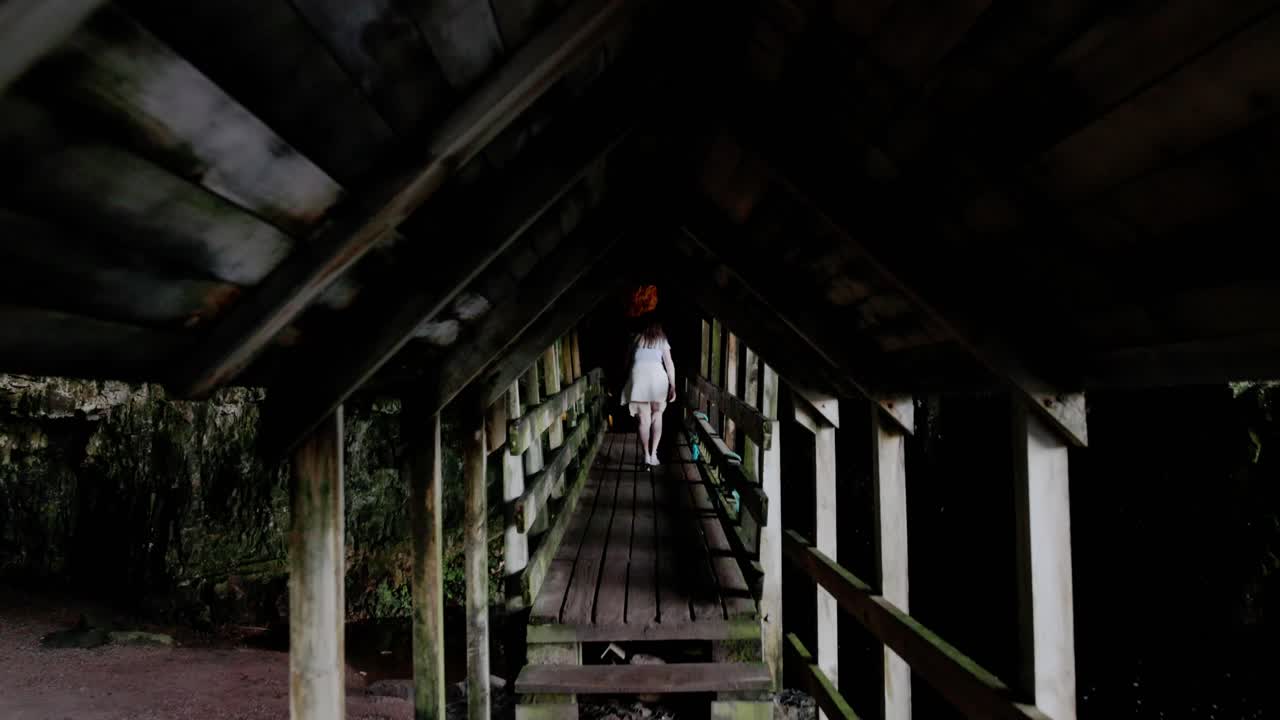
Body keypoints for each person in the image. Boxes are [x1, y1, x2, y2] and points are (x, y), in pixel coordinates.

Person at [622, 315, 676, 467]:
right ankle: (654, 454)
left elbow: (627, 362)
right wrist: (673, 385)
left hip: (638, 378)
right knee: (657, 416)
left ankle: (646, 455)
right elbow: (669, 364)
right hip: (658, 379)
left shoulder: (636, 339)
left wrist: (627, 379)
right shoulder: (662, 340)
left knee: (643, 419)